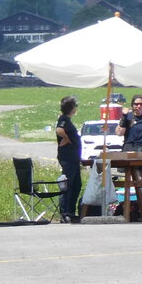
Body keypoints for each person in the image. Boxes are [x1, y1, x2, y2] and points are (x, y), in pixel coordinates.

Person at [115, 94, 142, 198]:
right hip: (131, 149)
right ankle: (133, 206)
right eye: (136, 104)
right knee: (136, 180)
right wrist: (124, 117)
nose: (138, 106)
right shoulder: (129, 116)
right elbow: (119, 133)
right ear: (132, 105)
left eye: (141, 104)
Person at [55, 95, 83, 223]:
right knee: (69, 184)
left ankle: (71, 211)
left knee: (76, 184)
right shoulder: (64, 119)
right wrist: (66, 139)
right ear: (71, 108)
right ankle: (65, 211)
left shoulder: (67, 120)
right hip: (68, 158)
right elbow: (59, 130)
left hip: (73, 158)